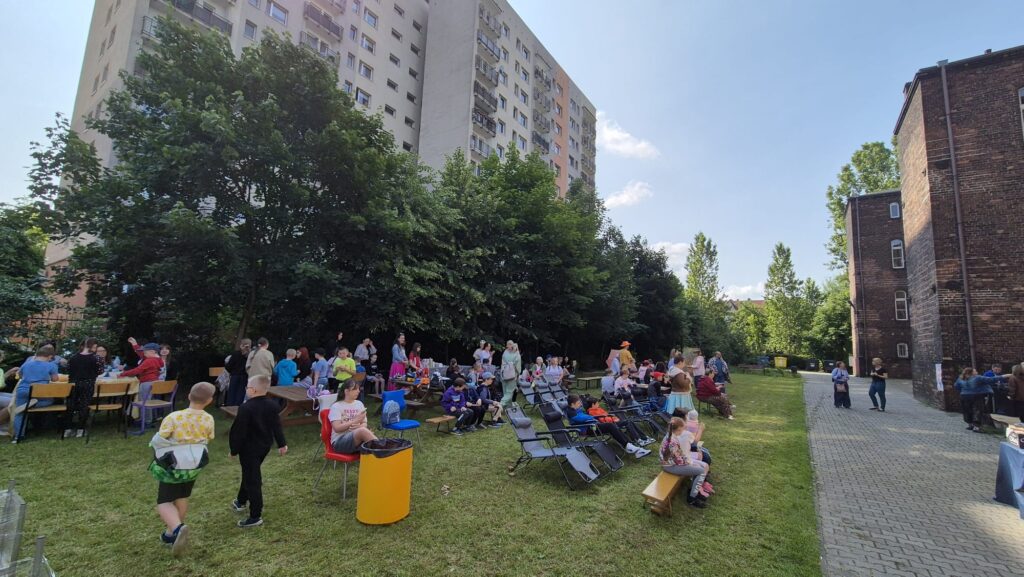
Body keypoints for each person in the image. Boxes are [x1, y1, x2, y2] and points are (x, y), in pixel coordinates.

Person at [149, 381, 216, 556]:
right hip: (193, 465)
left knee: (164, 501)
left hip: (172, 465)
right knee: (182, 496)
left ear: (189, 396)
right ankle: (170, 534)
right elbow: (209, 437)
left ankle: (178, 528)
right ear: (209, 400)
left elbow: (161, 437)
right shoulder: (208, 419)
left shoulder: (174, 417)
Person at [229, 375, 288, 528]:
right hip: (264, 447)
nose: (246, 389)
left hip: (249, 449)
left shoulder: (245, 408)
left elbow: (238, 432)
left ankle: (255, 516)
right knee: (249, 472)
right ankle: (241, 501)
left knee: (253, 479)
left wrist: (234, 450)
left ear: (253, 390)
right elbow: (277, 425)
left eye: (247, 387)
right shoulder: (272, 405)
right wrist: (282, 443)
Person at [0, 345, 59, 441]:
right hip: (40, 391)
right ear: (50, 356)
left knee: (19, 412)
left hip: (22, 390)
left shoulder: (26, 364)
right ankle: (32, 404)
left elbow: (20, 375)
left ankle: (18, 436)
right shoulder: (51, 365)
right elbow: (55, 379)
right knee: (50, 401)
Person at [565, 394, 650, 458]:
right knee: (610, 426)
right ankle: (628, 446)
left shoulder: (577, 409)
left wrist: (590, 418)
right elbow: (581, 418)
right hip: (587, 429)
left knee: (613, 426)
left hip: (592, 425)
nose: (580, 404)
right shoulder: (570, 412)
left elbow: (584, 417)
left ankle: (630, 445)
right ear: (572, 404)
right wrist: (591, 417)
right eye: (578, 403)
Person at [660, 416, 711, 508]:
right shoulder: (672, 441)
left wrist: (690, 461)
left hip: (674, 463)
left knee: (703, 466)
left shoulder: (671, 435)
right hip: (671, 466)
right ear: (678, 430)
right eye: (682, 429)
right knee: (701, 471)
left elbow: (679, 455)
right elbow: (679, 460)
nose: (683, 431)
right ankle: (692, 498)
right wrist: (690, 463)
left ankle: (694, 489)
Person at [66, 337, 105, 438]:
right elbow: (100, 371)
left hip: (73, 383)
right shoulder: (96, 358)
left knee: (71, 405)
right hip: (88, 383)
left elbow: (68, 369)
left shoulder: (73, 357)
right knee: (84, 405)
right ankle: (81, 429)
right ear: (93, 346)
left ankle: (68, 429)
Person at [328, 379, 376, 454]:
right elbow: (337, 428)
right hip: (339, 441)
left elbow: (364, 423)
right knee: (363, 432)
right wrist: (355, 421)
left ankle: (383, 453)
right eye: (355, 389)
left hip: (357, 438)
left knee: (366, 433)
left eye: (358, 389)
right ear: (346, 391)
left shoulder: (359, 404)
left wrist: (359, 427)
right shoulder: (336, 406)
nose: (358, 391)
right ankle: (385, 453)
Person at [583, 396, 653, 446]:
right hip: (610, 424)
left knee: (629, 421)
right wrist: (613, 419)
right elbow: (602, 419)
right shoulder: (592, 412)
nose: (598, 404)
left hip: (613, 421)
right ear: (593, 404)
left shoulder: (599, 409)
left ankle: (644, 437)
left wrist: (614, 418)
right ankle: (638, 439)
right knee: (627, 422)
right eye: (597, 403)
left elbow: (607, 415)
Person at [954, 368, 1008, 432]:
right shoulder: (978, 378)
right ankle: (976, 426)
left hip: (964, 396)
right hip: (977, 395)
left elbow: (956, 386)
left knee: (967, 410)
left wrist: (964, 390)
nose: (977, 372)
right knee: (978, 410)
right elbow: (991, 380)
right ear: (972, 373)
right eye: (975, 371)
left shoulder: (960, 378)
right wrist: (1005, 376)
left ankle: (970, 424)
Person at [122, 341, 166, 419]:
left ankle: (145, 420)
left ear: (152, 352)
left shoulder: (149, 360)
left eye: (145, 352)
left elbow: (137, 370)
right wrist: (135, 345)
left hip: (146, 383)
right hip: (154, 381)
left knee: (144, 402)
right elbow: (141, 354)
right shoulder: (158, 359)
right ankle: (152, 418)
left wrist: (123, 374)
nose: (144, 353)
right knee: (150, 401)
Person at [225, 339, 251, 407]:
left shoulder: (235, 354)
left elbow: (228, 366)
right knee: (240, 394)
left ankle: (229, 409)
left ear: (241, 345)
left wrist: (231, 371)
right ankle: (237, 409)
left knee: (231, 394)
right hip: (244, 377)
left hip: (235, 376)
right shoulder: (250, 356)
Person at [499, 340, 522, 407]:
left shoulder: (505, 353)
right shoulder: (516, 354)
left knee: (505, 391)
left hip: (504, 374)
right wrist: (518, 374)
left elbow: (502, 363)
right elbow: (518, 367)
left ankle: (508, 407)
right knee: (509, 392)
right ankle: (501, 404)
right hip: (512, 375)